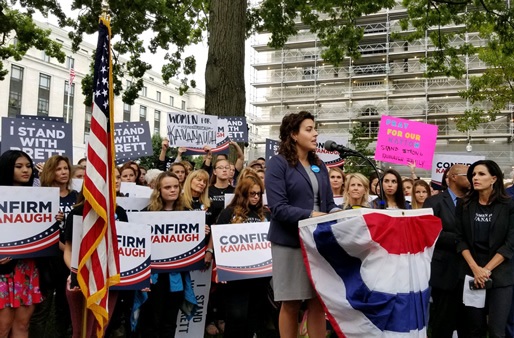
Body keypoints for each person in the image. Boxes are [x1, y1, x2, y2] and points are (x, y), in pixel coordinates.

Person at [265, 111, 339, 338]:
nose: (315, 133)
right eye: (309, 129)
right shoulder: (278, 164)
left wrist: (339, 213)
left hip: (318, 241)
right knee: (292, 303)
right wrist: (312, 214)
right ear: (294, 135)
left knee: (318, 302)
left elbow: (328, 203)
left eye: (315, 129)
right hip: (290, 242)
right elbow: (278, 208)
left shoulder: (319, 164)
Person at [455, 160, 514, 338]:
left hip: (500, 275)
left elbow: (510, 243)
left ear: (494, 178)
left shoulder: (509, 205)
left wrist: (486, 270)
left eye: (481, 174)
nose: (475, 178)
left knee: (497, 331)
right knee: (475, 329)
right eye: (473, 174)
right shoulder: (464, 205)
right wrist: (476, 269)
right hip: (472, 274)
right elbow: (460, 239)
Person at [134, 172, 196, 337]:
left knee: (170, 320)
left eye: (176, 187)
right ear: (158, 190)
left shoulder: (188, 213)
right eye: (168, 187)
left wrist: (200, 233)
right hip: (153, 277)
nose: (173, 190)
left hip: (177, 276)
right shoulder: (145, 214)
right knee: (151, 321)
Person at [63, 191, 126, 338]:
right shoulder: (77, 212)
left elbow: (126, 249)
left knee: (100, 331)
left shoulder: (120, 212)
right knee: (81, 332)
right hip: (81, 279)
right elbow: (68, 250)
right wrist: (75, 272)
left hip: (109, 280)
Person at [215, 176, 270, 338]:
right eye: (252, 193)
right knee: (236, 316)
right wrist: (221, 266)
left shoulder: (265, 214)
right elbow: (220, 241)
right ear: (243, 193)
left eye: (259, 194)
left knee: (252, 318)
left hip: (260, 275)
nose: (256, 197)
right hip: (235, 276)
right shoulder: (228, 213)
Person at [31, 155, 77, 337]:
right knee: (41, 309)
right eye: (58, 169)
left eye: (66, 168)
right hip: (47, 260)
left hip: (69, 259)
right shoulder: (41, 196)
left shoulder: (77, 197)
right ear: (50, 171)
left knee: (65, 309)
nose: (63, 172)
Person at [0, 150, 45, 338]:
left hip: (27, 269)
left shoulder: (39, 197)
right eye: (19, 166)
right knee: (3, 327)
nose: (25, 170)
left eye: (28, 166)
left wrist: (51, 219)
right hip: (3, 271)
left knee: (23, 325)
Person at [424, 164, 470, 338]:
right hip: (444, 273)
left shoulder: (474, 201)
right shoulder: (433, 202)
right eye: (468, 175)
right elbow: (430, 232)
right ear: (452, 177)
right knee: (443, 324)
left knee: (468, 324)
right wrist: (462, 240)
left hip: (469, 272)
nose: (472, 178)